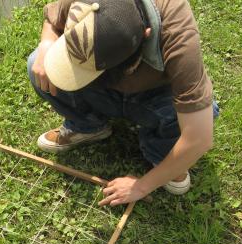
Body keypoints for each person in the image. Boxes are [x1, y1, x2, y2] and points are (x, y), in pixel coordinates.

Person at [28, 0, 219, 206]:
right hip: (107, 91)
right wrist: (47, 44)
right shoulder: (86, 3)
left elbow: (199, 137)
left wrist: (141, 186)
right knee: (36, 63)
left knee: (199, 115)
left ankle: (162, 153)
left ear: (145, 35)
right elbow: (52, 18)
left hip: (154, 96)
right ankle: (88, 126)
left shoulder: (178, 37)